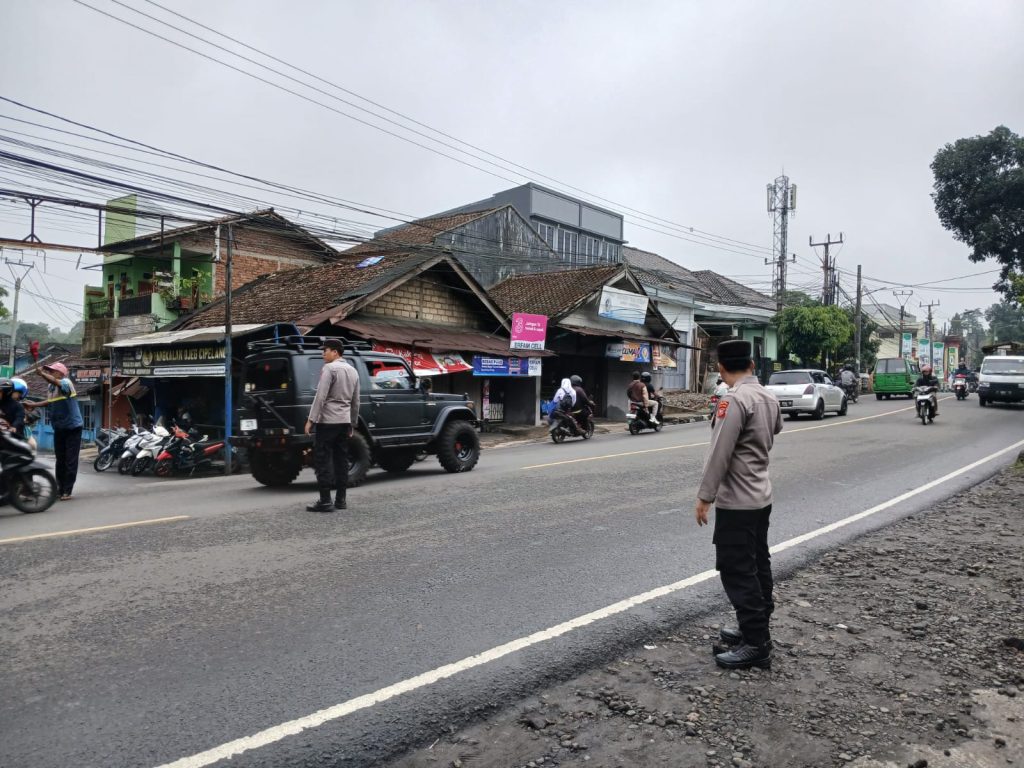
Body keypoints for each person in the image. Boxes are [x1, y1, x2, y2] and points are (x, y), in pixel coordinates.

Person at [695, 339, 783, 670]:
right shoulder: (767, 396)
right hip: (761, 495)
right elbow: (775, 430)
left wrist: (705, 496)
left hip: (737, 502)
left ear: (721, 367)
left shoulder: (733, 400)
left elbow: (720, 451)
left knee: (737, 569)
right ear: (750, 364)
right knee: (759, 563)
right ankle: (754, 629)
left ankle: (756, 644)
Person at [304, 338, 360, 512]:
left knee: (322, 460)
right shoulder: (353, 371)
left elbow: (320, 396)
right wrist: (352, 423)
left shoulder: (329, 368)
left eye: (325, 350)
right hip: (343, 422)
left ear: (335, 352)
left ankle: (325, 500)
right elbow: (356, 401)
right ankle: (341, 500)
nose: (323, 354)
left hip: (327, 421)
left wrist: (311, 419)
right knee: (341, 460)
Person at [23, 362, 83, 500]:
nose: (50, 372)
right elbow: (50, 402)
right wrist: (33, 404)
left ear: (61, 373)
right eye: (48, 371)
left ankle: (67, 490)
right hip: (59, 427)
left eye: (52, 371)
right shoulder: (50, 387)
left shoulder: (66, 383)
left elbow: (57, 383)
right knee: (60, 460)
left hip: (73, 427)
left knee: (70, 460)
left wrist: (42, 374)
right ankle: (59, 489)